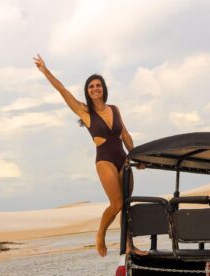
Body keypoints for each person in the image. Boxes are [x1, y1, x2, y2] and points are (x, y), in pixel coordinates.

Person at [34, 54, 143, 257]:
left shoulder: (114, 109)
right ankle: (100, 234)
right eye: (91, 86)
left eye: (98, 85)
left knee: (127, 206)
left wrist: (136, 156)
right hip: (105, 160)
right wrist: (45, 70)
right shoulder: (84, 111)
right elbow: (62, 91)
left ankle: (129, 246)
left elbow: (125, 135)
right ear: (87, 91)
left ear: (103, 89)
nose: (95, 89)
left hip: (123, 158)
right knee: (117, 203)